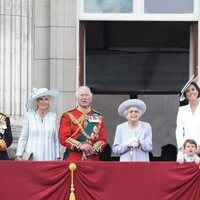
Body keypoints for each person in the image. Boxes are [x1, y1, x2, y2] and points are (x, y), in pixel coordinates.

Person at [59, 86, 107, 161]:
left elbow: (103, 139)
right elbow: (63, 137)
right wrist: (80, 145)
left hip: (92, 158)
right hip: (73, 159)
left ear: (90, 98)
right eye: (81, 95)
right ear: (76, 98)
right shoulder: (68, 115)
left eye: (86, 95)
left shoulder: (98, 116)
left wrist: (94, 149)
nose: (84, 98)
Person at [16, 87, 60, 161]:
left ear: (49, 102)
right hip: (32, 156)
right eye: (41, 99)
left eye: (46, 99)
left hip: (49, 156)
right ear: (36, 101)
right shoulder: (29, 116)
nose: (43, 101)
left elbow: (56, 139)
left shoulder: (53, 117)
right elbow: (23, 137)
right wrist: (19, 154)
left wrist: (57, 155)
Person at [175, 75, 200, 157]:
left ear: (197, 91)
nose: (191, 92)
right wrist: (181, 146)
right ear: (185, 95)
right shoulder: (182, 110)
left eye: (193, 89)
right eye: (188, 91)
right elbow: (179, 130)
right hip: (186, 149)